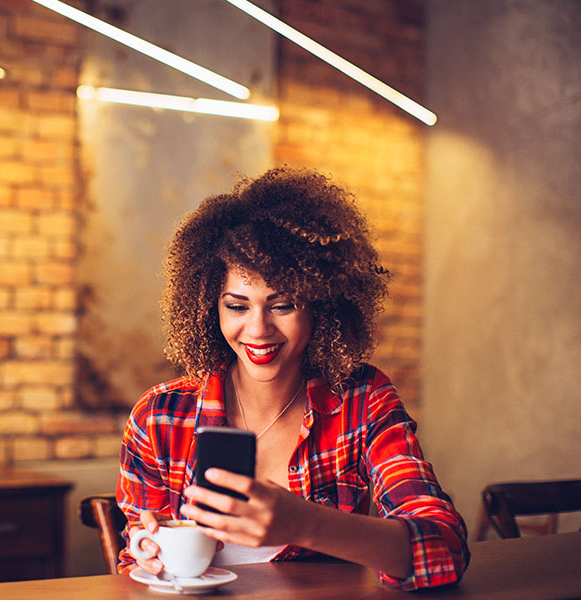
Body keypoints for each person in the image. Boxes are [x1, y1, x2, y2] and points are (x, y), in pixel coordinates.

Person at [116, 166, 469, 591]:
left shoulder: (362, 400)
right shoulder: (159, 416)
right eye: (237, 306)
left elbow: (444, 550)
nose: (258, 329)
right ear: (210, 306)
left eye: (281, 305)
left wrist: (305, 523)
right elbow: (135, 567)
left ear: (322, 306)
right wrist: (147, 549)